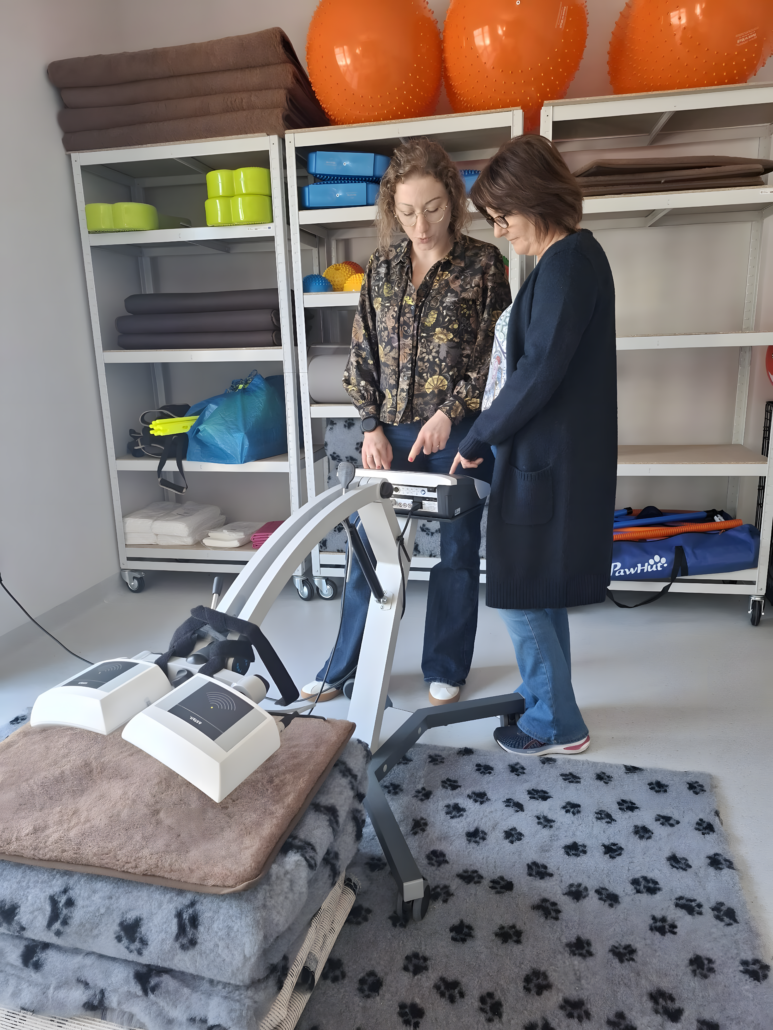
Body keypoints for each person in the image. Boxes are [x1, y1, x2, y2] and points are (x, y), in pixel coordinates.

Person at [303, 138, 511, 706]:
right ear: (392, 209)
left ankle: (445, 665)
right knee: (369, 550)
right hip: (388, 434)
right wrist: (370, 425)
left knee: (457, 552)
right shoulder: (382, 266)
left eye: (434, 208)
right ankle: (343, 666)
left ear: (454, 201)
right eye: (408, 212)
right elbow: (362, 351)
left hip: (458, 434)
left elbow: (495, 358)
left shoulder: (484, 264)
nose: (421, 225)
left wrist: (450, 413)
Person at [450, 134, 617, 757]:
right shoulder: (565, 261)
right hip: (544, 458)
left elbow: (538, 369)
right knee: (538, 591)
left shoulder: (569, 263)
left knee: (519, 589)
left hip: (547, 462)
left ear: (535, 200)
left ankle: (555, 724)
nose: (500, 231)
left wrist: (480, 434)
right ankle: (547, 703)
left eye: (503, 217)